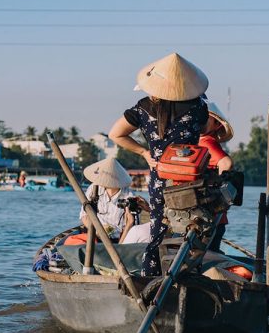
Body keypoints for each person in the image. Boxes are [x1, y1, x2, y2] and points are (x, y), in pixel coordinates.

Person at [109, 52, 209, 276]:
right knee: (190, 228)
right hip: (189, 180)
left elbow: (116, 134)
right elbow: (205, 130)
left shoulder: (143, 107)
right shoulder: (198, 107)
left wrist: (144, 152)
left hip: (160, 177)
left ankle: (151, 275)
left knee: (158, 229)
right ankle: (187, 275)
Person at [65, 158, 148, 245]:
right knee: (70, 242)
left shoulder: (129, 195)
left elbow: (130, 225)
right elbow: (84, 216)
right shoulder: (94, 188)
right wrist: (98, 231)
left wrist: (118, 245)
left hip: (118, 239)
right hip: (94, 234)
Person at [198, 101, 234, 251]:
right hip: (211, 216)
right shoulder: (202, 141)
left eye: (207, 118)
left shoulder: (206, 142)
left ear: (217, 124)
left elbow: (226, 164)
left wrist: (216, 191)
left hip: (210, 216)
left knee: (206, 256)